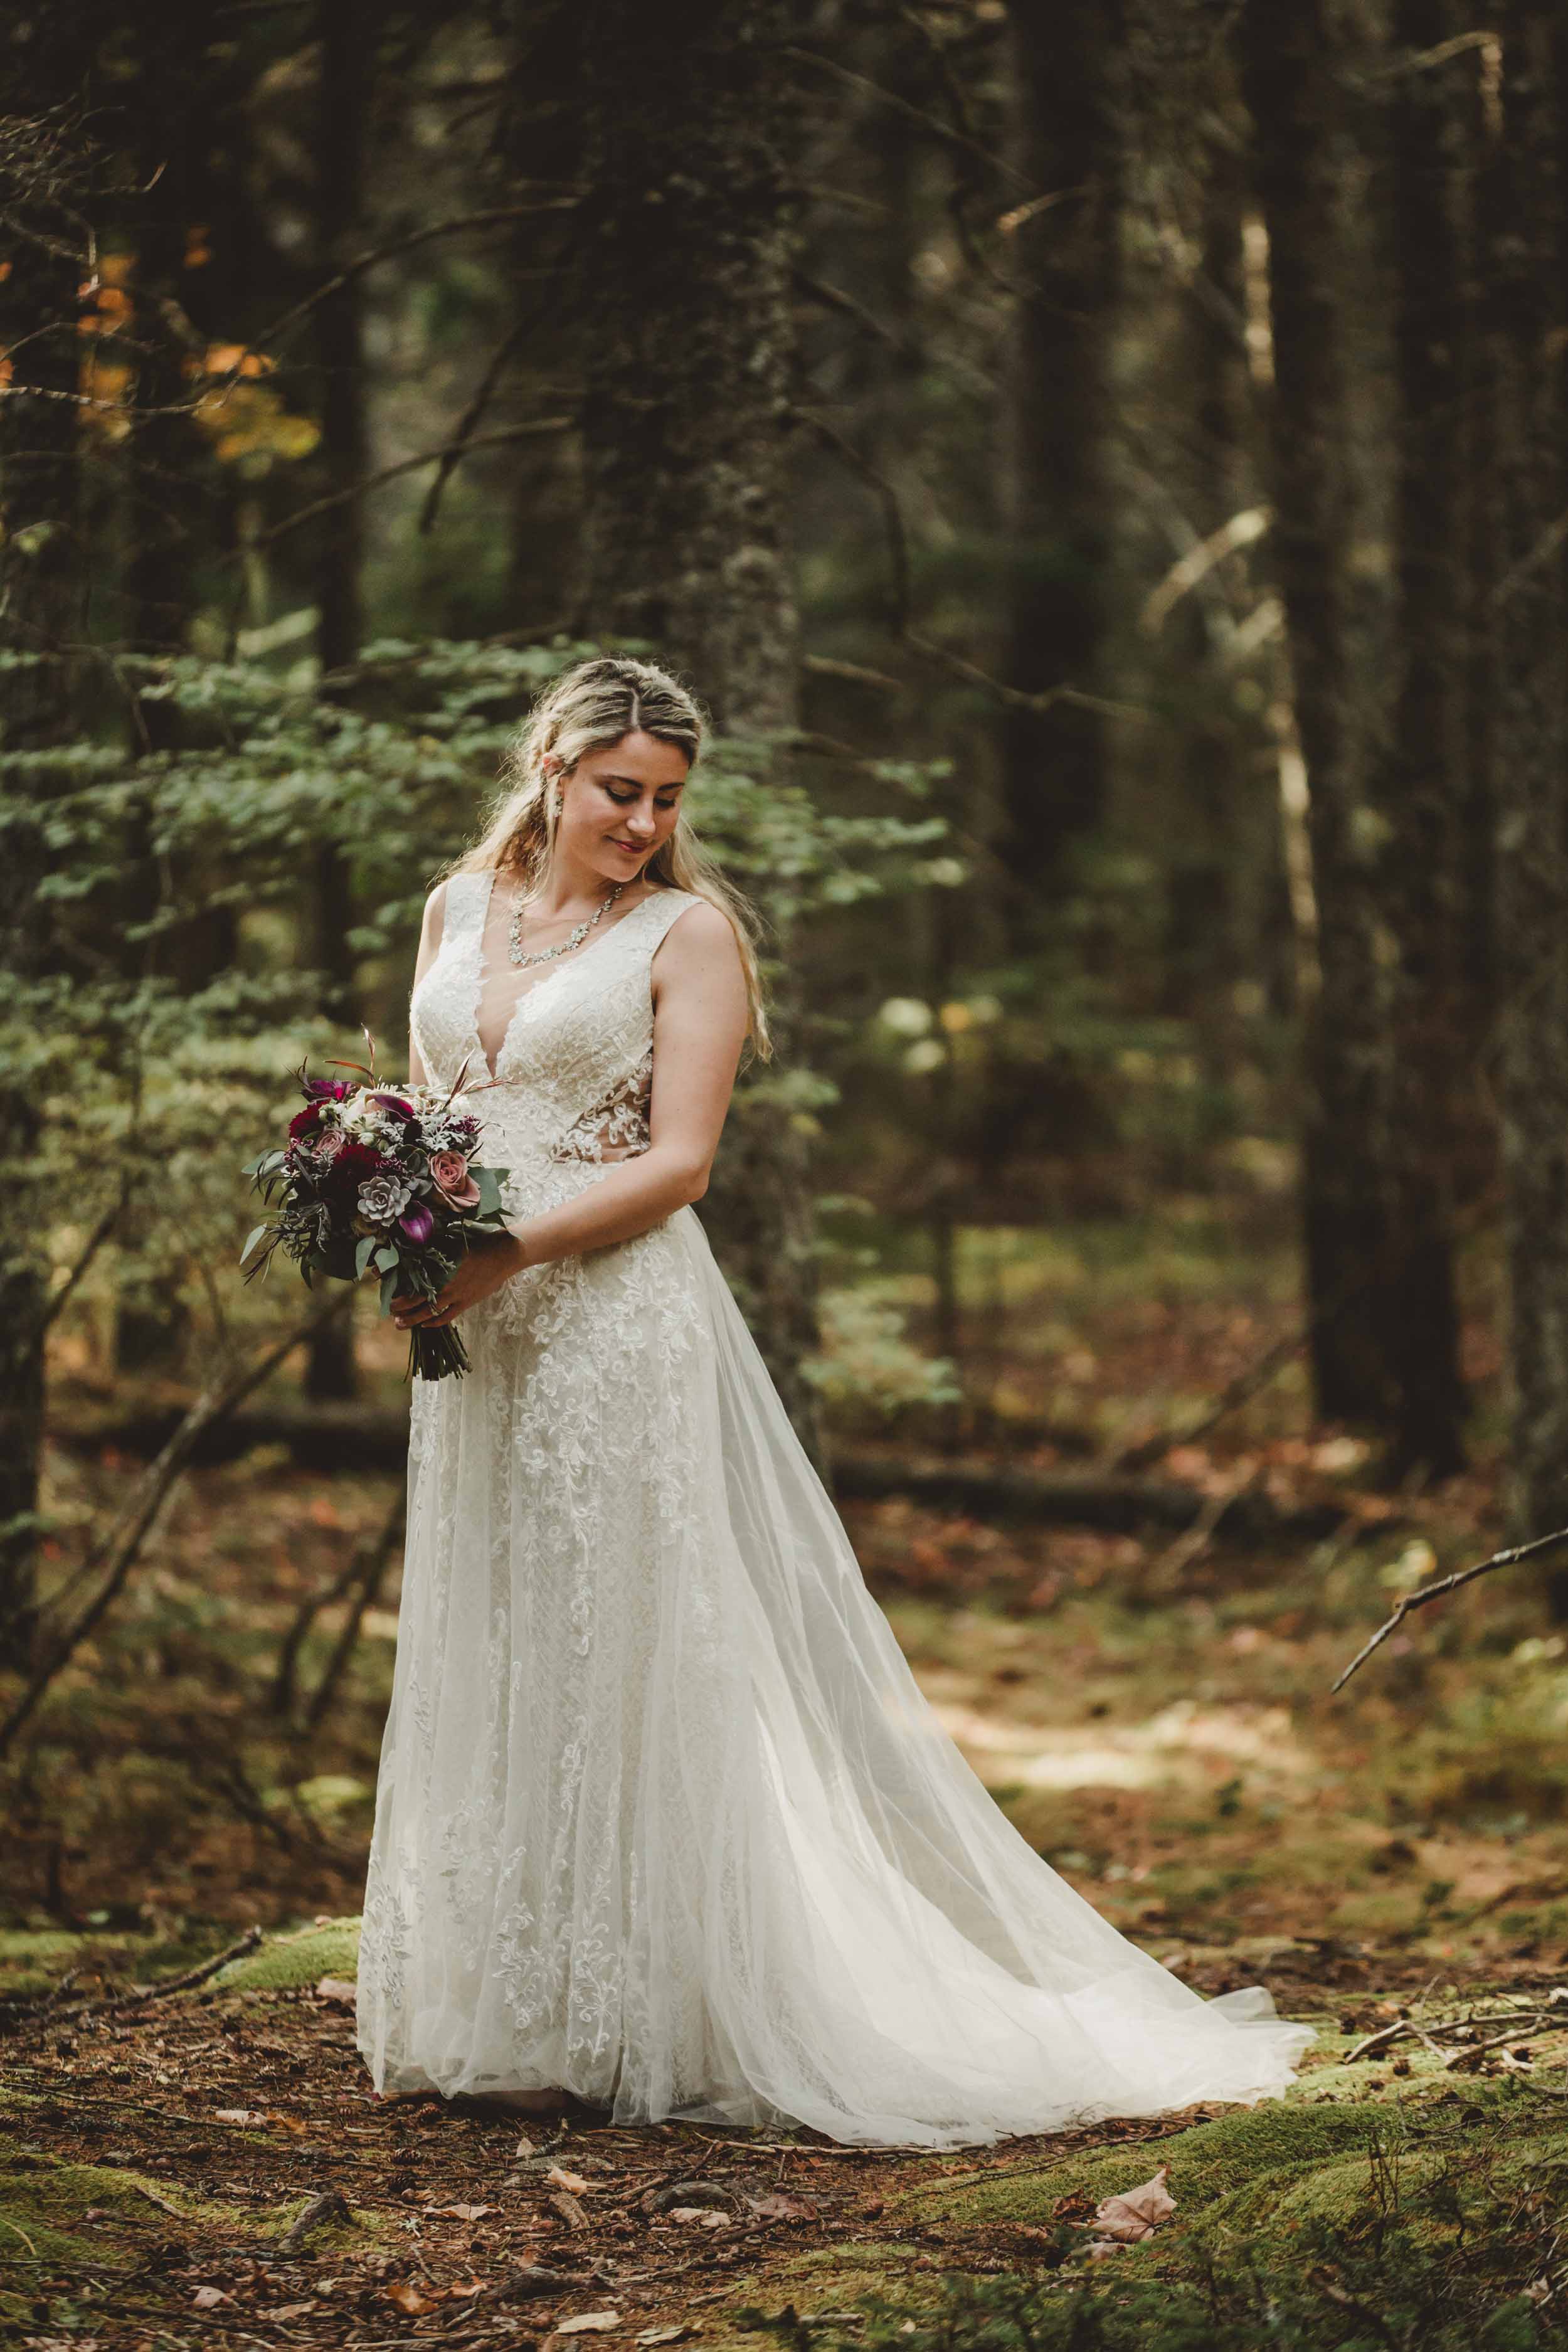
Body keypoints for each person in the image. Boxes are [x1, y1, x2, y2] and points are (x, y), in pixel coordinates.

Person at [354, 654, 1313, 2148]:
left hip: (606, 1319)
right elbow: (429, 1104)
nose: (642, 820)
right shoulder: (453, 907)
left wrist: (502, 1252)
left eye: (667, 799)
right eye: (620, 790)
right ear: (550, 765)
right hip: (481, 1333)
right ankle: (503, 1997)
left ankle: (636, 2012)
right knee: (501, 1626)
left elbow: (680, 1165)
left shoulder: (690, 933)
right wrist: (401, 1218)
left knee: (618, 1643)